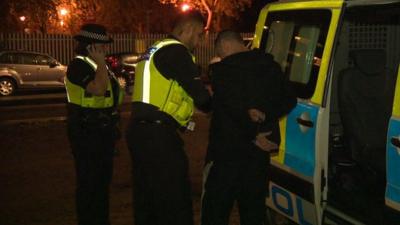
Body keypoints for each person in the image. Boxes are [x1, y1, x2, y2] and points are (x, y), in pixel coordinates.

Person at [201, 30, 297, 225]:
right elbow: (289, 99)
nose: (220, 56)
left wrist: (253, 134)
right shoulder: (270, 66)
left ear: (226, 46)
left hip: (226, 156)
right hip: (257, 157)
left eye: (220, 51)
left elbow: (230, 111)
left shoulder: (223, 71)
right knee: (253, 211)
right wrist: (266, 116)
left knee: (215, 211)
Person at [126, 11, 211, 225]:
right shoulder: (177, 51)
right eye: (200, 35)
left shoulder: (155, 48)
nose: (199, 42)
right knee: (175, 201)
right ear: (189, 29)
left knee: (147, 199)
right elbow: (202, 97)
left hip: (141, 131)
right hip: (158, 136)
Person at [65, 23, 124, 225]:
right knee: (89, 184)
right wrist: (100, 63)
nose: (106, 49)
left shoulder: (99, 65)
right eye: (102, 45)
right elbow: (98, 89)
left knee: (101, 185)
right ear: (90, 46)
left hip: (102, 132)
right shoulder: (78, 65)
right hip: (86, 132)